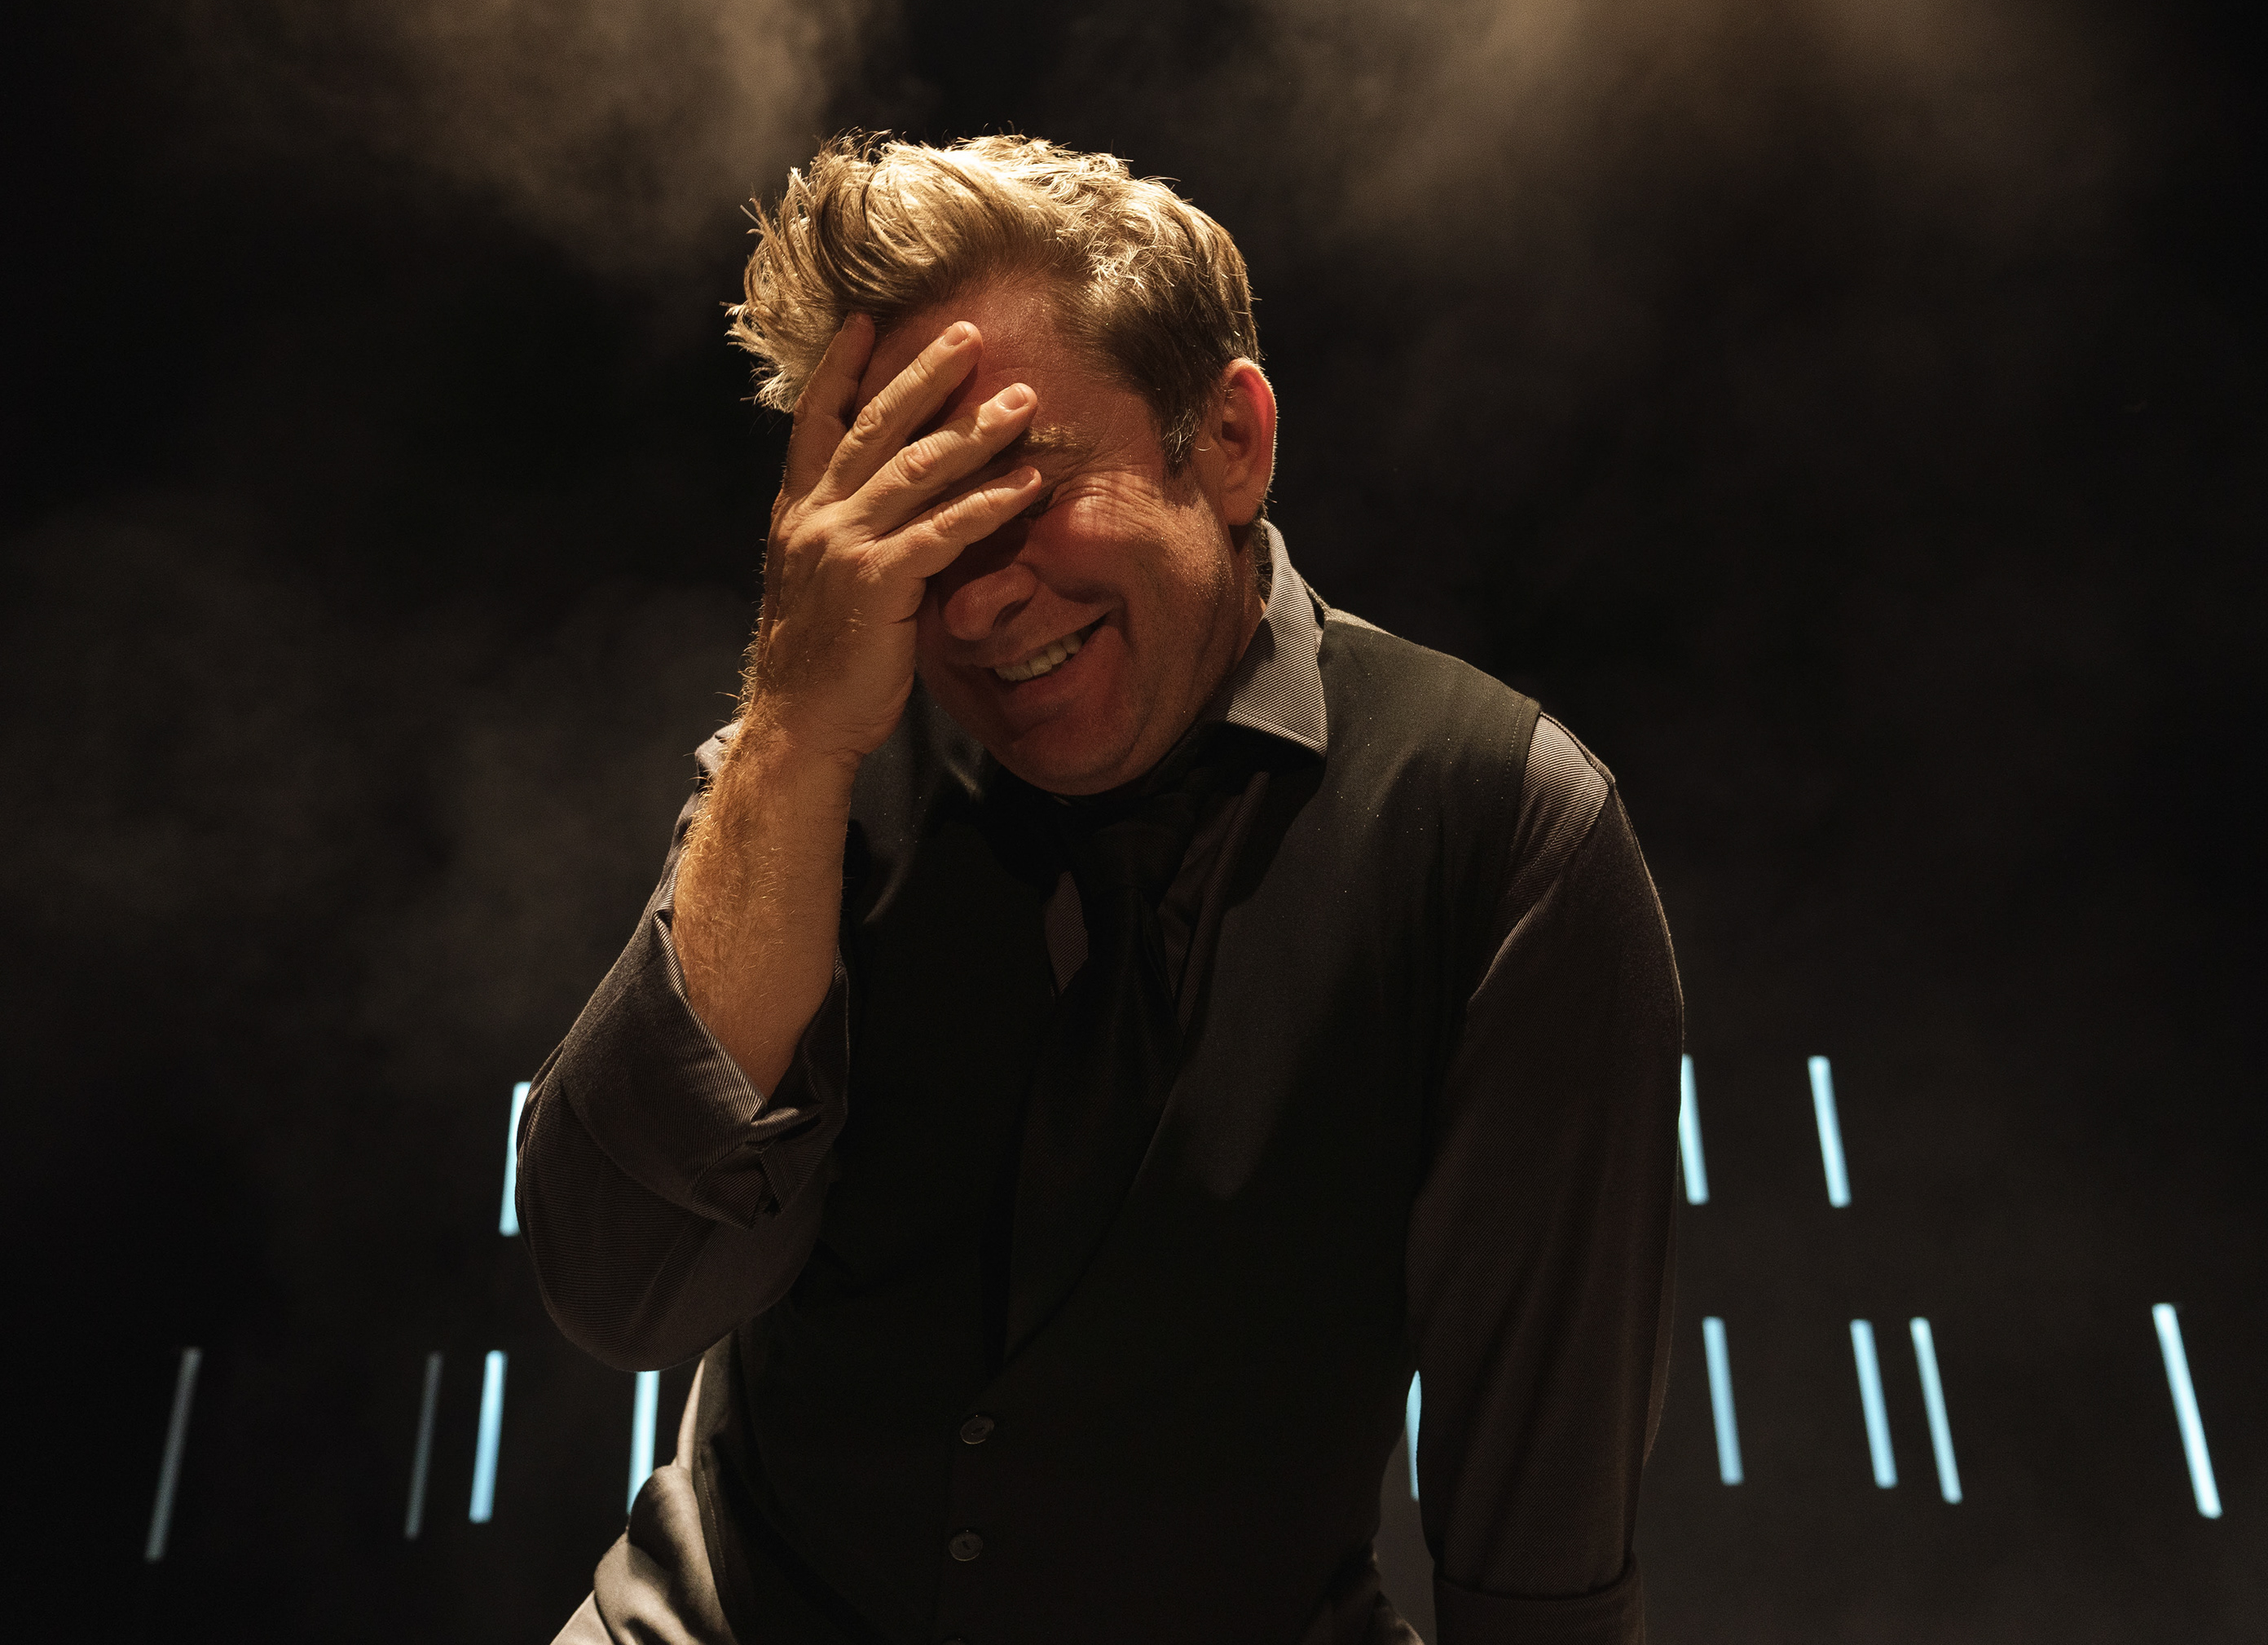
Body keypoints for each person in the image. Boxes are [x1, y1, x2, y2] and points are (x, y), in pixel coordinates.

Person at [521, 135, 1682, 1645]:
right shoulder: (815, 750)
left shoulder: (1507, 830)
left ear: (1232, 440)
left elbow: (1541, 1577)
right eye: (918, 516)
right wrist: (792, 734)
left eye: (1020, 485)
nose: (977, 597)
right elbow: (620, 1287)